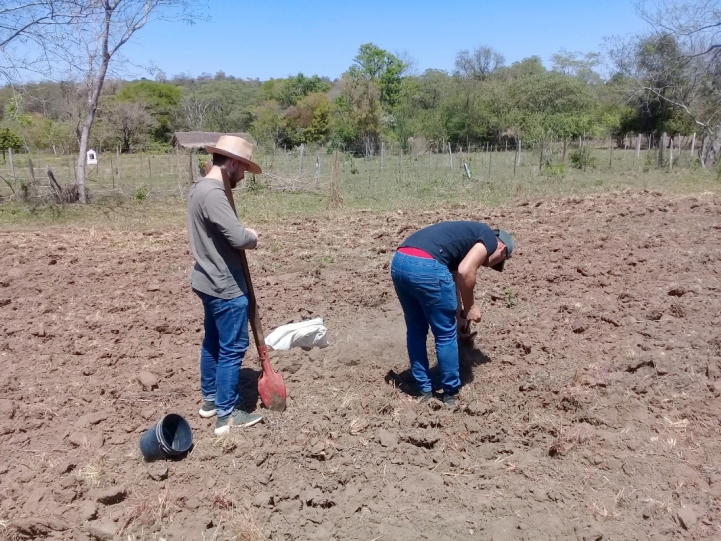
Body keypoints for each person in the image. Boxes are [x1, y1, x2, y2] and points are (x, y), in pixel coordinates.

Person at [187, 135, 264, 435]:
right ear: (232, 163)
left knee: (213, 342)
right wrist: (253, 235)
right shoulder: (215, 194)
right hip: (224, 286)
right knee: (232, 348)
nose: (243, 175)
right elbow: (239, 238)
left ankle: (210, 401)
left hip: (206, 280)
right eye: (243, 168)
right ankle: (227, 415)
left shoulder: (199, 188)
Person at [391, 221, 514, 407]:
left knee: (416, 330)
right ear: (503, 248)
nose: (490, 265)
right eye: (498, 261)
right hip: (427, 265)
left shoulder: (460, 244)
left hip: (400, 262)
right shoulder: (489, 236)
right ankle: (450, 394)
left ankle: (424, 390)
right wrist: (471, 307)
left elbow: (455, 284)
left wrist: (460, 320)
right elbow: (466, 271)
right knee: (445, 334)